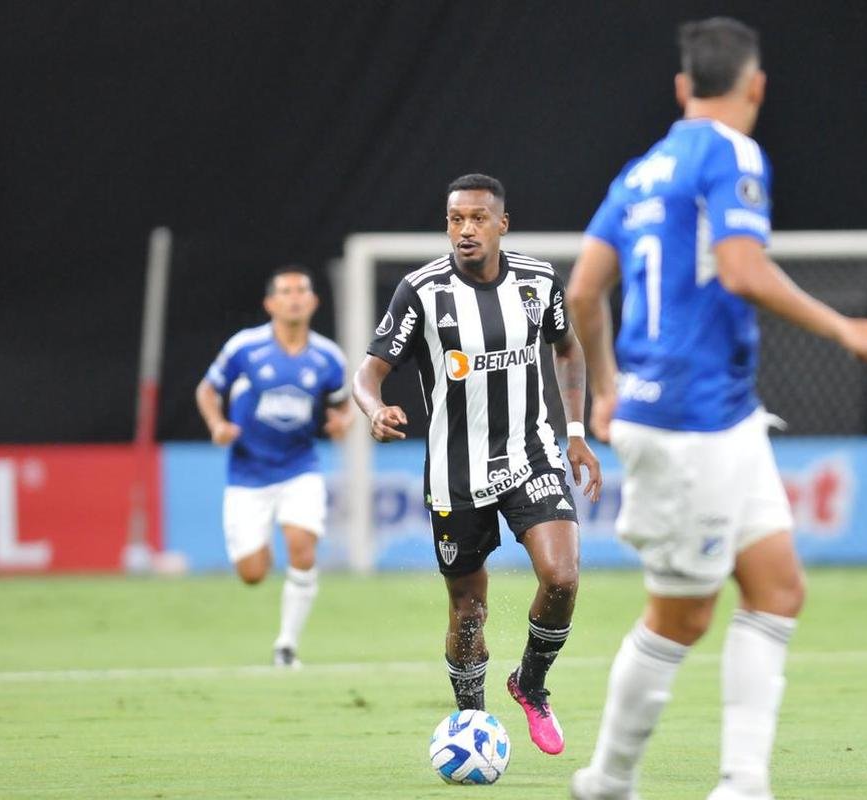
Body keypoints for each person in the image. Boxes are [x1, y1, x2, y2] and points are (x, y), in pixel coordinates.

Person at [566, 18, 867, 800]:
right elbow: (744, 271)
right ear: (755, 86)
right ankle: (607, 782)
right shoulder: (734, 153)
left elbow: (584, 291)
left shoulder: (642, 169)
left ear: (683, 88)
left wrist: (610, 387)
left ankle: (743, 784)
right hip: (690, 420)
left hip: (718, 414)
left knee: (777, 587)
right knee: (680, 617)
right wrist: (843, 327)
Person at [352, 173, 603, 755]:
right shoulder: (421, 293)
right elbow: (368, 373)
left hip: (532, 453)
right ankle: (473, 722)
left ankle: (531, 684)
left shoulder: (540, 282)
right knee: (469, 610)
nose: (465, 230)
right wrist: (374, 409)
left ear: (501, 224)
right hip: (455, 471)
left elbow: (568, 347)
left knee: (562, 577)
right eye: (455, 219)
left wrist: (574, 431)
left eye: (477, 219)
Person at [195, 266, 353, 668]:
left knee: (302, 547)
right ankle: (258, 553)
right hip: (247, 472)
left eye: (302, 290)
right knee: (252, 572)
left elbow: (343, 402)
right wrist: (216, 425)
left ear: (314, 301)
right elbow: (208, 389)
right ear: (270, 303)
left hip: (300, 466)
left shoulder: (328, 357)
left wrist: (343, 422)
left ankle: (286, 646)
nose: (295, 296)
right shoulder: (245, 349)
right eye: (285, 291)